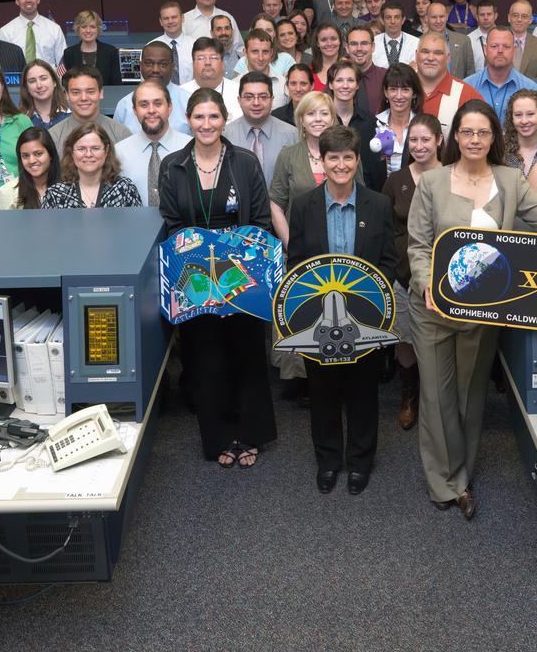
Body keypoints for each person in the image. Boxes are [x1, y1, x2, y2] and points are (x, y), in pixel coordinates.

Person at [408, 100, 537, 518]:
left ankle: (462, 477)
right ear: (455, 137)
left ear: (493, 138)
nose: (474, 140)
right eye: (466, 132)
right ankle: (442, 483)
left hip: (483, 314)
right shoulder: (431, 183)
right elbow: (417, 247)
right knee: (436, 397)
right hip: (433, 309)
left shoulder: (510, 181)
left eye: (482, 133)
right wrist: (426, 282)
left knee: (470, 397)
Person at [158, 88, 277, 469]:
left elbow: (260, 221)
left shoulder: (244, 162)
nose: (206, 125)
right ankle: (220, 437)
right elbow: (174, 226)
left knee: (247, 357)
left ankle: (251, 434)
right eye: (199, 118)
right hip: (194, 281)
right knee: (207, 361)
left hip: (242, 279)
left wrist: (229, 287)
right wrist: (207, 288)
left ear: (224, 119)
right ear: (188, 121)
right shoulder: (173, 166)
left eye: (213, 117)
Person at [287, 125, 397, 496]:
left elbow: (389, 261)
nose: (340, 165)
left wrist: (371, 303)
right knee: (323, 393)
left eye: (348, 157)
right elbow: (297, 263)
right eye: (332, 157)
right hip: (319, 322)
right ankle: (329, 461)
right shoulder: (303, 205)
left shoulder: (378, 205)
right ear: (322, 160)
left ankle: (360, 462)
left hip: (366, 319)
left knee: (364, 392)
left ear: (357, 160)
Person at [382, 114, 443, 431]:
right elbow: (384, 227)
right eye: (414, 141)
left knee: (438, 342)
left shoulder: (452, 177)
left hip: (442, 278)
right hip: (402, 275)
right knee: (404, 339)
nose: (419, 146)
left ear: (439, 141)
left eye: (425, 140)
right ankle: (409, 394)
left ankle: (436, 402)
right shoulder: (395, 181)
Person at [269, 91, 358, 245]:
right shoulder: (287, 155)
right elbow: (276, 205)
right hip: (300, 244)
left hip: (344, 244)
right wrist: (291, 244)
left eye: (324, 113)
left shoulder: (348, 153)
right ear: (301, 120)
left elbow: (360, 197)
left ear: (332, 119)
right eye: (311, 114)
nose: (318, 119)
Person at [114, 79, 191, 208]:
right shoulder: (119, 153)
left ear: (170, 107)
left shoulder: (189, 148)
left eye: (158, 103)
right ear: (134, 110)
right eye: (144, 105)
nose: (151, 110)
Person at [42, 124, 142, 208]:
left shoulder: (125, 189)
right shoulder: (56, 194)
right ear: (72, 152)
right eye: (81, 149)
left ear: (106, 150)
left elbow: (137, 228)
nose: (88, 154)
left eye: (95, 148)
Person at [226, 72, 298, 186]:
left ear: (272, 99)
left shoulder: (292, 135)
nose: (256, 103)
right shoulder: (225, 135)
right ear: (239, 100)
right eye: (249, 97)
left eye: (263, 97)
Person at [326, 61, 385, 190]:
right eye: (339, 80)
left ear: (357, 85)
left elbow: (375, 169)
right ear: (331, 84)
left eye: (351, 80)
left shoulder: (371, 123)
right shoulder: (322, 122)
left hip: (363, 193)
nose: (345, 86)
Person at [112, 41, 189, 135]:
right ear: (140, 66)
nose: (155, 70)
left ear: (172, 67)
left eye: (163, 64)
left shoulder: (187, 102)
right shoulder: (124, 105)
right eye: (149, 63)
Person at [415, 32, 484, 137]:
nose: (430, 58)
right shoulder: (401, 91)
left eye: (438, 53)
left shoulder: (468, 95)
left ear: (448, 58)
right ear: (416, 55)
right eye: (425, 51)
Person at [467, 26, 537, 120]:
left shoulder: (530, 88)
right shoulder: (468, 86)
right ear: (485, 50)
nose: (500, 51)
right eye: (494, 46)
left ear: (514, 50)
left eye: (506, 46)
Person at [50, 66, 133, 149]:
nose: (83, 98)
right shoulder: (54, 137)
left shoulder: (121, 134)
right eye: (76, 92)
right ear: (67, 95)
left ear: (101, 93)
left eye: (90, 92)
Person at [0, 0, 66, 68]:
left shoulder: (54, 29)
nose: (28, 0)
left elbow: (62, 63)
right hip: (20, 80)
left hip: (48, 80)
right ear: (17, 1)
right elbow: (4, 65)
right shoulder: (6, 32)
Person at [375, 63, 422, 176]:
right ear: (386, 92)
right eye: (393, 89)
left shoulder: (424, 126)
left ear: (414, 93)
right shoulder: (374, 125)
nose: (399, 96)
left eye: (405, 89)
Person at [0, 128, 59, 210]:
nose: (31, 161)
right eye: (25, 156)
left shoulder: (69, 188)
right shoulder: (6, 193)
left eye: (38, 154)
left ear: (50, 154)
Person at [181, 37, 242, 118]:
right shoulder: (180, 94)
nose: (207, 63)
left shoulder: (238, 92)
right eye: (201, 58)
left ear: (223, 63)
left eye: (213, 58)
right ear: (192, 64)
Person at [61, 9, 122, 87]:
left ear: (98, 29)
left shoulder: (111, 51)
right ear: (78, 29)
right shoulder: (69, 53)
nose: (88, 30)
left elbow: (116, 83)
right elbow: (67, 83)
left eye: (92, 27)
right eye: (84, 27)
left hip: (107, 96)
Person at [502, 89, 537, 178]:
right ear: (511, 118)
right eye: (518, 115)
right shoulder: (501, 151)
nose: (524, 121)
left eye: (530, 114)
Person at [506, 0, 537, 83]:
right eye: (515, 15)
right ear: (509, 17)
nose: (519, 19)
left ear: (530, 19)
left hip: (530, 94)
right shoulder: (497, 43)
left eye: (524, 16)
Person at [425, 2, 473, 79]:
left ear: (447, 16)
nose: (438, 21)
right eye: (434, 17)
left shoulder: (463, 41)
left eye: (441, 16)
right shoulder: (417, 41)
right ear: (426, 18)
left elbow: (470, 75)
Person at [345, 24, 386, 114]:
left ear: (373, 47)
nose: (359, 48)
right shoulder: (337, 78)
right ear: (347, 48)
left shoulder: (386, 77)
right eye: (354, 44)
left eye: (364, 43)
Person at [18, 60, 70, 130]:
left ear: (54, 82)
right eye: (32, 81)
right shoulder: (19, 121)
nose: (39, 85)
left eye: (43, 78)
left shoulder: (71, 116)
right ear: (26, 87)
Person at [151, 0, 193, 85]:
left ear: (182, 18)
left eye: (174, 17)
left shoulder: (194, 45)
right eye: (166, 18)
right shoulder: (151, 48)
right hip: (161, 96)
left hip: (190, 96)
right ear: (161, 22)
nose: (170, 21)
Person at [373, 2, 417, 70]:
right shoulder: (373, 43)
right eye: (388, 18)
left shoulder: (415, 43)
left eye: (397, 17)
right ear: (382, 20)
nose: (393, 21)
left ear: (403, 20)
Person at [310, 22, 346, 91]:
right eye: (324, 40)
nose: (329, 43)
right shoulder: (309, 71)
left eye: (333, 39)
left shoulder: (351, 67)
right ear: (317, 43)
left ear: (340, 41)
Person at [464, 0, 497, 72]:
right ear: (476, 17)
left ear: (495, 16)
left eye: (489, 14)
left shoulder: (505, 37)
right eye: (482, 14)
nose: (485, 18)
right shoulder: (468, 39)